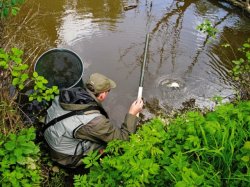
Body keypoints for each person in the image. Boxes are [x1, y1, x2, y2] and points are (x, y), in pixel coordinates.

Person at [44, 73, 144, 168]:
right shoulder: (95, 121)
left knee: (101, 134)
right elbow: (124, 140)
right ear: (102, 95)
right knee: (110, 144)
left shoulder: (67, 95)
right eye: (108, 91)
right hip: (64, 157)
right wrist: (132, 113)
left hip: (52, 135)